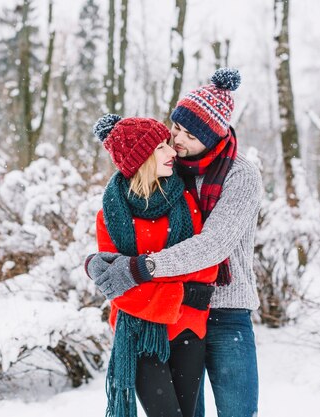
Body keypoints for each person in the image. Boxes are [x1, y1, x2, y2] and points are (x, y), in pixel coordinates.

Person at [86, 68, 262, 417]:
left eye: (188, 135)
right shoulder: (171, 165)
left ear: (213, 136)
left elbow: (213, 245)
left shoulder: (241, 175)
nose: (177, 140)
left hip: (227, 312)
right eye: (175, 128)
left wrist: (143, 268)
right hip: (175, 312)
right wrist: (97, 262)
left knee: (239, 411)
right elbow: (128, 209)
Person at [85, 113, 220, 417]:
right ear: (141, 158)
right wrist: (179, 294)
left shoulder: (186, 204)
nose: (173, 151)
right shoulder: (110, 216)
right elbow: (117, 287)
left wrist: (141, 275)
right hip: (139, 335)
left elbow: (202, 267)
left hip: (188, 328)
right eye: (161, 147)